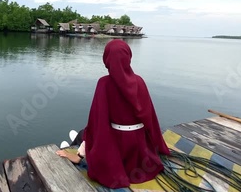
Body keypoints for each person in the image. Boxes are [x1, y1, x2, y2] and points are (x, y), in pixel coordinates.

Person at [56, 39, 171, 188]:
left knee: (87, 131)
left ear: (106, 59)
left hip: (115, 147)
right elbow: (150, 119)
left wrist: (80, 155)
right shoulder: (140, 82)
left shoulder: (104, 84)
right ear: (128, 57)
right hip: (139, 150)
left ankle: (78, 147)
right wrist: (159, 146)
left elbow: (96, 124)